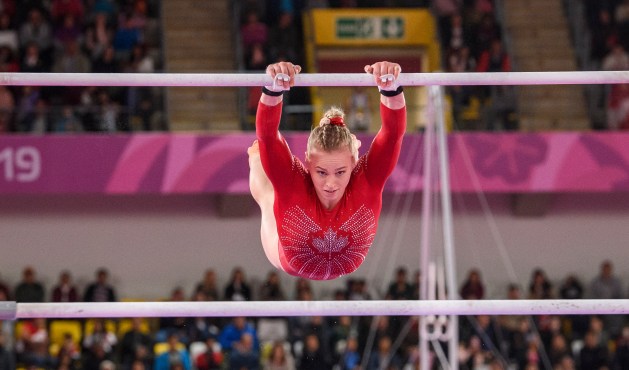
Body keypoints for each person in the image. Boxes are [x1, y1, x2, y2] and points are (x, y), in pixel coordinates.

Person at [249, 60, 406, 280]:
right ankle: (255, 156)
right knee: (268, 190)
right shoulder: (294, 183)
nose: (330, 184)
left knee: (274, 176)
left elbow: (392, 136)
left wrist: (390, 88)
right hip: (283, 255)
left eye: (340, 172)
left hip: (307, 256)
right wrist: (273, 88)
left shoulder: (368, 180)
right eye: (321, 172)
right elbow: (267, 135)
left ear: (354, 162)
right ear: (307, 163)